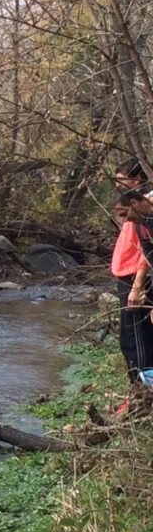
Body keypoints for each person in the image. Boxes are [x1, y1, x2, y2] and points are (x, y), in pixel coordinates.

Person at [112, 159, 153, 388]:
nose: (125, 220)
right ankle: (139, 388)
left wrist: (138, 286)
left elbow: (146, 258)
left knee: (137, 341)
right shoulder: (140, 218)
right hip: (127, 277)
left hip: (135, 280)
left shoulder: (147, 217)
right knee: (129, 340)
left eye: (126, 215)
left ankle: (142, 387)